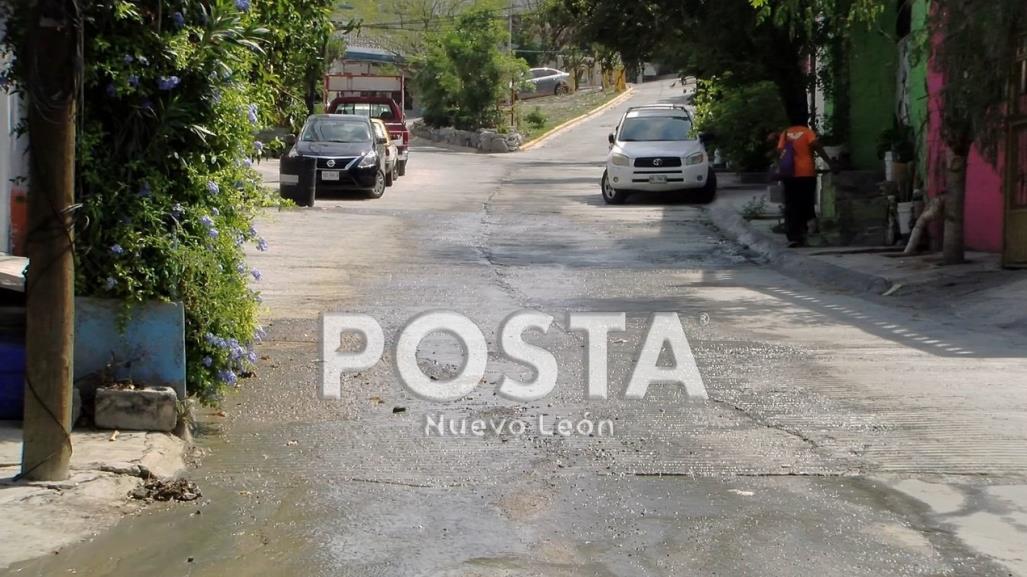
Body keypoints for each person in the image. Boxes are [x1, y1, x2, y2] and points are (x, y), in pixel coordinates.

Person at [777, 111, 837, 247]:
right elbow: (816, 145)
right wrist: (829, 161)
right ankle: (805, 231)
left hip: (790, 174)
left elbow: (780, 151)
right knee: (806, 202)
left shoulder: (785, 133)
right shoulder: (807, 132)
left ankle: (793, 235)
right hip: (806, 173)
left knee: (791, 204)